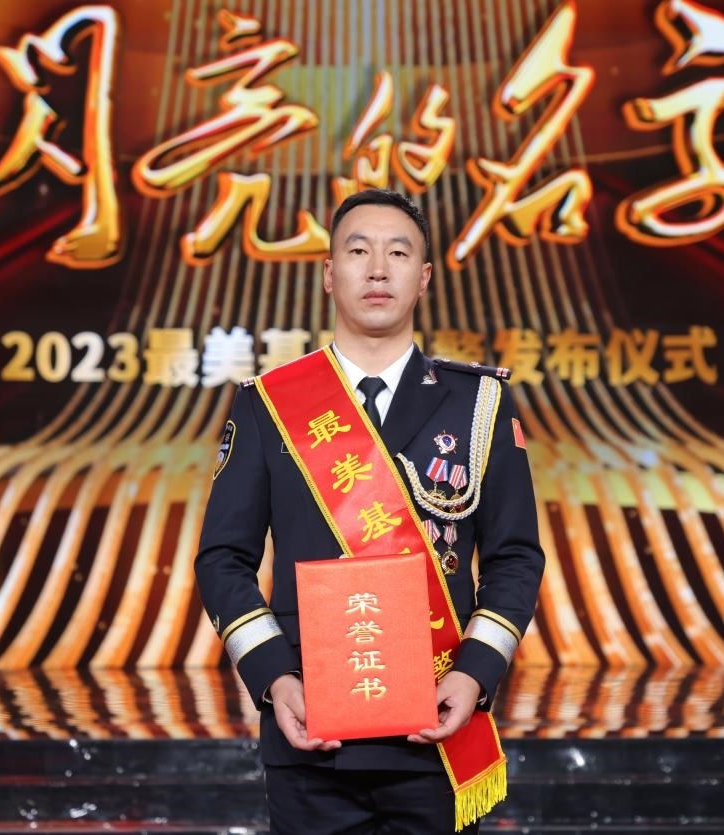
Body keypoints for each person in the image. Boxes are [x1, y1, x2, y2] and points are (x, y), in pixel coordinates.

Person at [195, 188, 544, 834]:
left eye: (398, 253)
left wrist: (475, 673)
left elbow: (515, 556)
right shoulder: (269, 404)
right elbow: (223, 560)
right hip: (310, 730)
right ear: (330, 274)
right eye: (358, 252)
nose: (378, 269)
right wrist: (275, 679)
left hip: (439, 723)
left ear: (424, 277)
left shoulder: (480, 404)